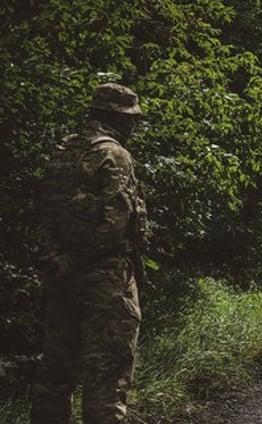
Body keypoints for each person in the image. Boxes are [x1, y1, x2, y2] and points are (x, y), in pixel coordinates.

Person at [33, 83, 147, 423]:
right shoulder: (114, 154)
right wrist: (76, 261)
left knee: (54, 374)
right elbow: (116, 221)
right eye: (131, 119)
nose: (134, 126)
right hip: (104, 280)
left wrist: (55, 259)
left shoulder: (64, 150)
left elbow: (43, 212)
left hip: (60, 279)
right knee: (106, 378)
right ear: (119, 118)